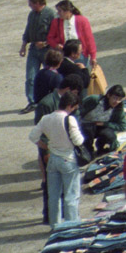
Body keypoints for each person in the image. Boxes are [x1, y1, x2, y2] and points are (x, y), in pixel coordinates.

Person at [27, 85, 84, 226]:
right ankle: (72, 225)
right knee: (71, 195)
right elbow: (78, 140)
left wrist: (45, 146)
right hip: (68, 159)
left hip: (53, 159)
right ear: (70, 106)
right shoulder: (69, 120)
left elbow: (33, 136)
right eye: (75, 107)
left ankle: (55, 225)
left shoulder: (46, 118)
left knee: (54, 196)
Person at [19, 0, 52, 111]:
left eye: (31, 4)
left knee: (49, 76)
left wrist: (45, 43)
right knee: (30, 77)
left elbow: (55, 33)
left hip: (47, 50)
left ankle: (49, 100)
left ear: (37, 3)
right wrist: (23, 45)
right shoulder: (31, 14)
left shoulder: (50, 14)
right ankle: (32, 101)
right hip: (33, 49)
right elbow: (28, 30)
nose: (29, 6)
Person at [80, 84, 126, 156]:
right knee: (87, 131)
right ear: (108, 95)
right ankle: (88, 151)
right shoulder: (94, 100)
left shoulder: (118, 109)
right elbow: (77, 108)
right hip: (85, 125)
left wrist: (105, 124)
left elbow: (122, 126)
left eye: (119, 99)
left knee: (109, 135)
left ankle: (101, 149)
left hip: (100, 127)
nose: (117, 101)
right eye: (115, 98)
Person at [47, 1, 96, 69]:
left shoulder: (82, 20)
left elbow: (89, 39)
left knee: (81, 76)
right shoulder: (55, 22)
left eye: (60, 11)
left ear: (67, 11)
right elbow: (50, 38)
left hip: (80, 54)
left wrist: (93, 56)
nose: (57, 13)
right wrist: (56, 45)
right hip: (64, 55)